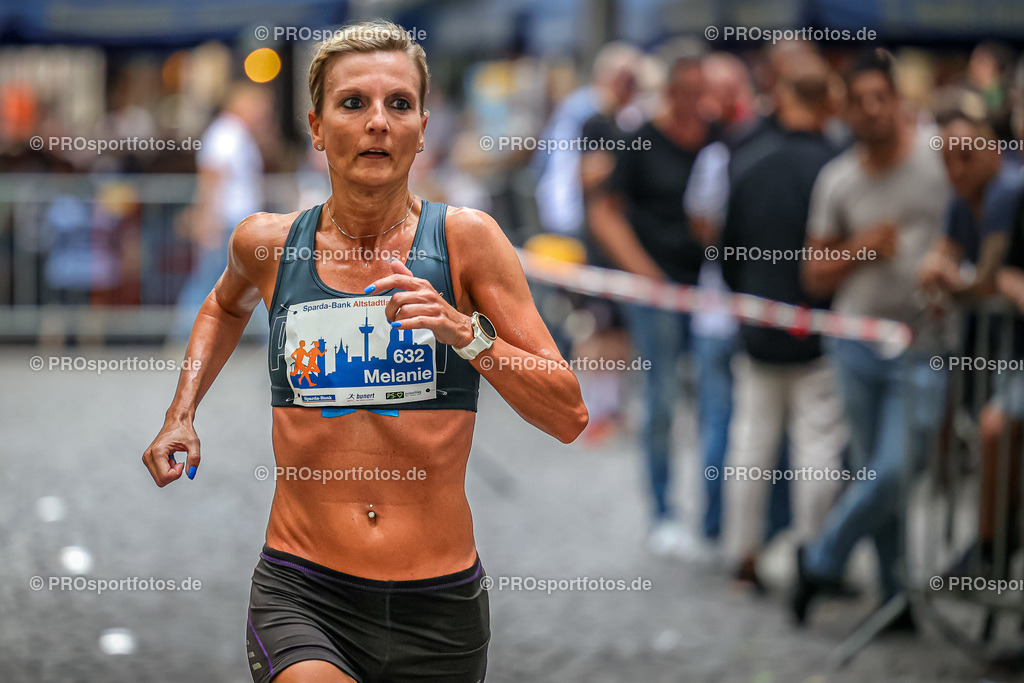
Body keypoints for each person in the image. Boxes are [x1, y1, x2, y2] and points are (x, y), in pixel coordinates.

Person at [142, 20, 588, 683]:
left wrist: (468, 335)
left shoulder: (467, 242)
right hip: (304, 590)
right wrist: (182, 411)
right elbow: (222, 304)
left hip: (438, 607)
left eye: (398, 104)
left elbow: (567, 412)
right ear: (317, 127)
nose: (378, 122)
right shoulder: (266, 243)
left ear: (423, 127)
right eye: (353, 103)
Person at [792, 48, 952, 626]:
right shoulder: (838, 179)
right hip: (855, 342)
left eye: (881, 98)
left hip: (926, 344)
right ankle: (895, 599)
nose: (873, 110)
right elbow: (812, 273)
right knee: (872, 472)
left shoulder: (938, 166)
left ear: (898, 101)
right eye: (859, 102)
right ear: (846, 110)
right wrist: (861, 249)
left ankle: (820, 558)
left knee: (894, 470)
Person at [718, 57, 847, 586]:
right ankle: (813, 556)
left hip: (758, 323)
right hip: (824, 328)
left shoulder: (748, 162)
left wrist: (749, 295)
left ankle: (743, 554)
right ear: (828, 104)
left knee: (750, 445)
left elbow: (725, 252)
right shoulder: (840, 167)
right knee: (818, 448)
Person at [588, 45, 715, 555]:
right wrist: (645, 273)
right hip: (656, 290)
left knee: (713, 402)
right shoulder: (640, 140)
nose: (688, 102)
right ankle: (663, 511)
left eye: (696, 92)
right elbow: (604, 210)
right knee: (661, 399)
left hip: (709, 293)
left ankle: (714, 518)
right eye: (680, 92)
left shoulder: (715, 140)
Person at [922, 97, 1024, 574]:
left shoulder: (1007, 190)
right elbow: (940, 265)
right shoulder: (965, 200)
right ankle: (989, 549)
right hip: (995, 352)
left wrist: (965, 279)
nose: (956, 169)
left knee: (994, 431)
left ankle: (990, 550)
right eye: (947, 158)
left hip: (1007, 353)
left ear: (993, 150)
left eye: (965, 155)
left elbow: (980, 278)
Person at [171, 82, 272, 343]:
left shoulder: (234, 134)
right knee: (212, 281)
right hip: (227, 222)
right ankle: (184, 337)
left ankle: (184, 338)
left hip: (233, 222)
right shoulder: (225, 134)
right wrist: (208, 221)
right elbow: (211, 178)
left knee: (217, 281)